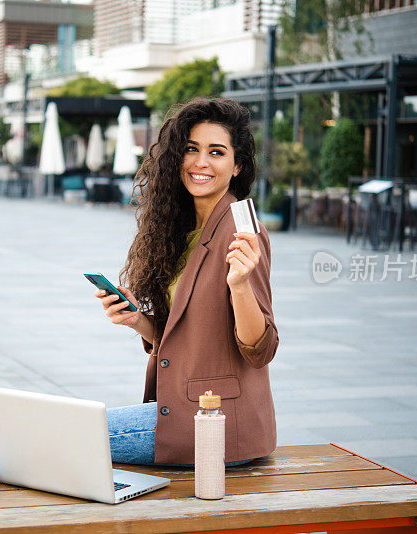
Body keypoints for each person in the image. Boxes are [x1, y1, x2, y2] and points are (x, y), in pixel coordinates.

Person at [94, 98, 279, 466]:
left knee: (69, 435)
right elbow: (184, 333)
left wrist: (240, 285)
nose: (200, 162)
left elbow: (261, 348)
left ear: (237, 165)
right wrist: (136, 319)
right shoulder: (181, 229)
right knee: (63, 435)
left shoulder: (242, 229)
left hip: (217, 422)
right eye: (191, 149)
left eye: (216, 152)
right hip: (179, 409)